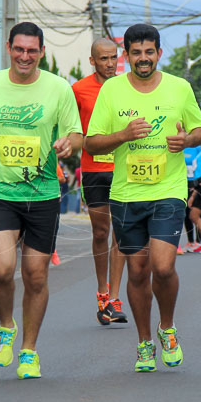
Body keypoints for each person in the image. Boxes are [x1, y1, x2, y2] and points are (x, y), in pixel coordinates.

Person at [0, 22, 81, 379]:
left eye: (32, 51)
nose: (25, 56)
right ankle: (5, 324)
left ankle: (29, 350)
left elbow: (75, 131)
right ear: (9, 48)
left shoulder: (59, 88)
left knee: (35, 276)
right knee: (0, 268)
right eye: (19, 49)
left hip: (42, 193)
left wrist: (69, 143)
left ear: (41, 52)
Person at [85, 23, 201, 372]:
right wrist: (122, 135)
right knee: (137, 271)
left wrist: (187, 141)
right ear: (126, 56)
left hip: (168, 190)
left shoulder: (179, 88)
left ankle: (167, 328)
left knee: (163, 266)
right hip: (126, 194)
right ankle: (144, 343)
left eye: (149, 52)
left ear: (159, 53)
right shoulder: (112, 91)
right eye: (136, 52)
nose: (143, 58)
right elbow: (92, 142)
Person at [72, 37, 129, 325]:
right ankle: (101, 291)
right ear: (92, 61)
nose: (109, 63)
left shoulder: (126, 87)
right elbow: (71, 129)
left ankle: (114, 298)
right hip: (93, 170)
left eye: (113, 58)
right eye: (103, 59)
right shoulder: (78, 90)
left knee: (120, 232)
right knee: (100, 232)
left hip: (122, 167)